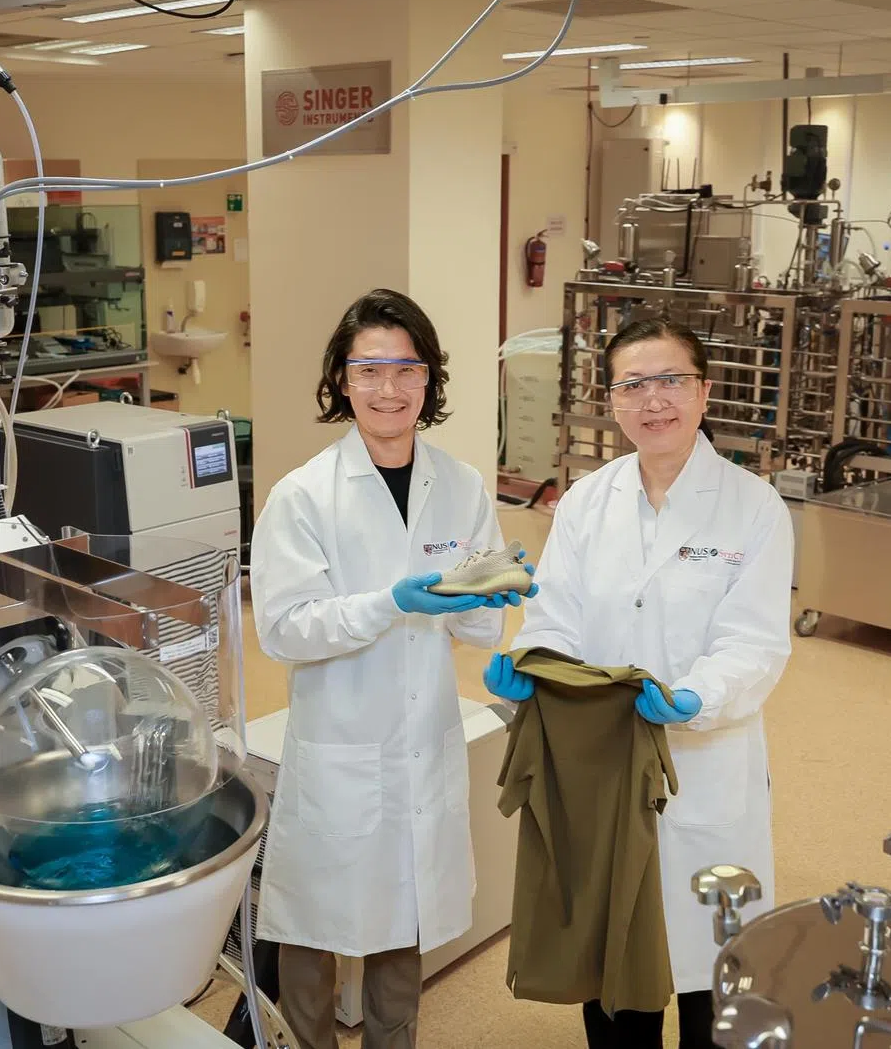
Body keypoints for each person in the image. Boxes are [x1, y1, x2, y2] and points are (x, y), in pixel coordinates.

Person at [484, 317, 792, 1049]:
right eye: (634, 385)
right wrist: (534, 660)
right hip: (605, 763)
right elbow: (555, 610)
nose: (654, 401)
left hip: (704, 763)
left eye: (671, 381)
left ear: (704, 391)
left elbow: (753, 642)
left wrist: (697, 697)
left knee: (710, 971)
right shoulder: (587, 501)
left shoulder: (754, 508)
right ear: (613, 400)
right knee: (615, 962)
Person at [250, 288, 534, 1049]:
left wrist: (497, 586)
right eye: (369, 369)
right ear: (341, 380)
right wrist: (389, 602)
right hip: (340, 738)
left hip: (421, 734)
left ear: (429, 380)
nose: (388, 388)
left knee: (404, 914)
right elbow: (282, 630)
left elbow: (476, 625)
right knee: (314, 921)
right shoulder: (303, 496)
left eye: (406, 369)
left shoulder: (462, 484)